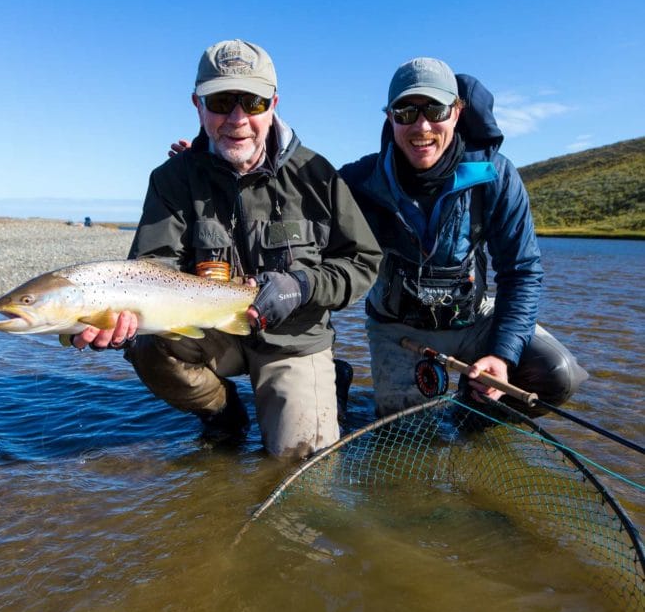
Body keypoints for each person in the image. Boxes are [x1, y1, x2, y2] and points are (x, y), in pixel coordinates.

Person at [73, 39, 382, 457]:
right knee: (147, 346)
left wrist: (303, 285)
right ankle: (223, 414)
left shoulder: (317, 175)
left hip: (293, 340)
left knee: (297, 459)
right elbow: (151, 266)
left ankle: (326, 380)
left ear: (273, 103)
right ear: (197, 105)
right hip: (215, 330)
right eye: (220, 101)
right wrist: (110, 318)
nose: (236, 119)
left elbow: (363, 262)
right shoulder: (172, 179)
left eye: (252, 102)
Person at [338, 56, 587, 415]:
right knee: (408, 439)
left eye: (436, 110)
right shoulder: (357, 182)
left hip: (475, 319)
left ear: (457, 112)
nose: (422, 126)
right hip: (397, 330)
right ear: (390, 118)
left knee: (556, 374)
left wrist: (502, 356)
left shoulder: (495, 177)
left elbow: (521, 273)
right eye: (406, 111)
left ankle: (470, 417)